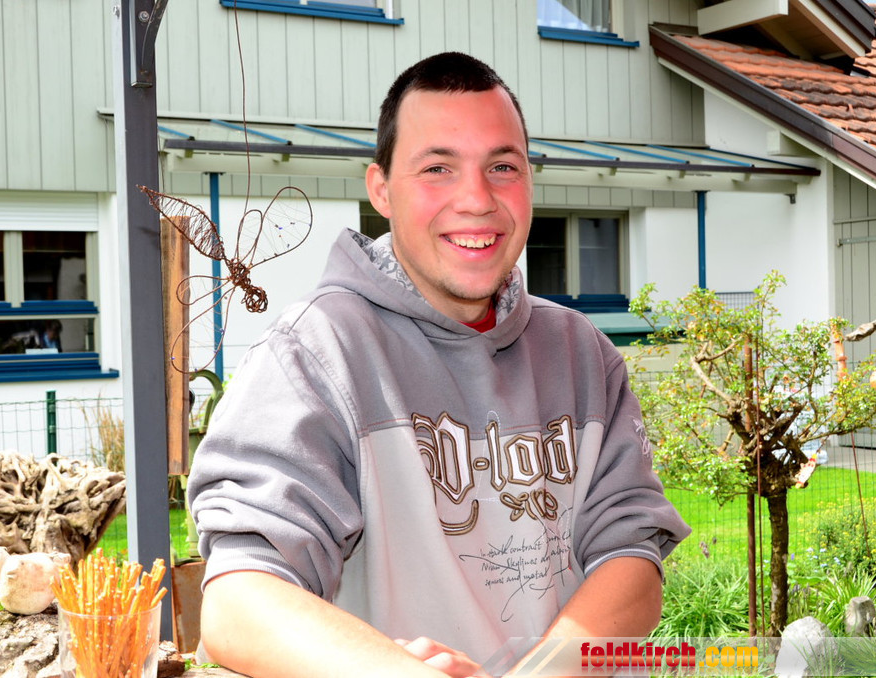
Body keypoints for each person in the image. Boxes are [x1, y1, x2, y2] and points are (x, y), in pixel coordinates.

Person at [186, 51, 690, 678]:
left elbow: (632, 556)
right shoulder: (314, 356)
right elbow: (239, 602)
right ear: (381, 190)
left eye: (502, 167)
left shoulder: (581, 353)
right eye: (437, 168)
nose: (476, 199)